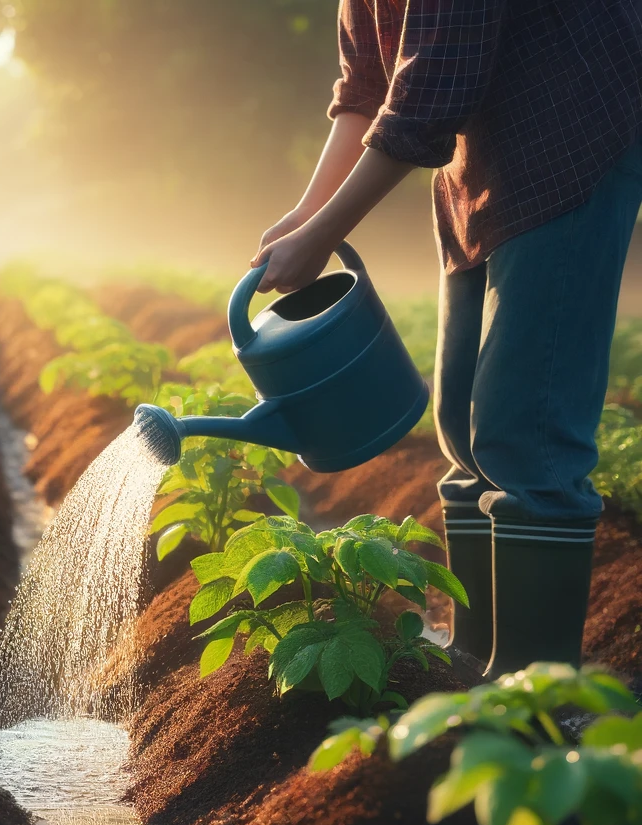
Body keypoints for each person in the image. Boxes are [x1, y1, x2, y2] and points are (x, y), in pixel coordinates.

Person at [253, 1, 642, 676]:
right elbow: (370, 86)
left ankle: (528, 694)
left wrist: (322, 237)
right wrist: (308, 214)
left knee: (530, 432)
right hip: (477, 163)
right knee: (462, 424)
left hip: (570, 137)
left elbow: (430, 94)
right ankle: (472, 658)